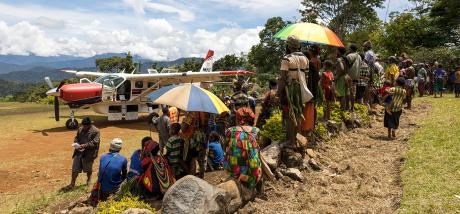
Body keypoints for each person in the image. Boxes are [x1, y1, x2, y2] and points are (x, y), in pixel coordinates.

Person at [277, 35, 310, 144]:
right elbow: (306, 78)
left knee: (288, 115)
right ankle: (296, 139)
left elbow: (282, 78)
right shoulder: (305, 59)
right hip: (301, 90)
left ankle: (290, 141)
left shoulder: (287, 59)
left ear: (288, 46)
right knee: (298, 112)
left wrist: (278, 93)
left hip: (289, 90)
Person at [224, 107, 262, 189]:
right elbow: (257, 148)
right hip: (251, 167)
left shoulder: (230, 131)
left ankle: (236, 177)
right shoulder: (256, 131)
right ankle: (251, 181)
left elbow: (225, 146)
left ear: (238, 118)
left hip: (233, 167)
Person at [64, 117, 100, 190]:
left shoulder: (96, 131)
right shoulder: (80, 129)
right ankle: (72, 183)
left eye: (86, 126)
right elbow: (76, 137)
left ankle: (88, 180)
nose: (84, 127)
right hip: (78, 152)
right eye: (83, 125)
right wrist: (76, 143)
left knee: (88, 168)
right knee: (75, 168)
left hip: (89, 153)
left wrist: (84, 145)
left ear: (90, 124)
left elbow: (95, 142)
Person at [181, 111, 208, 178]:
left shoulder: (190, 115)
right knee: (200, 158)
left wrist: (183, 120)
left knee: (192, 158)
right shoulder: (203, 113)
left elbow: (183, 128)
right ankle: (202, 175)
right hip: (201, 137)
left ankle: (192, 175)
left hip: (192, 139)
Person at [346, 43, 362, 112]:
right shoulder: (359, 57)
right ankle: (352, 107)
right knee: (353, 93)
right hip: (356, 77)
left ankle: (347, 107)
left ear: (350, 49)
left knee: (347, 92)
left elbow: (345, 66)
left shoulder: (349, 56)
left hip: (349, 77)